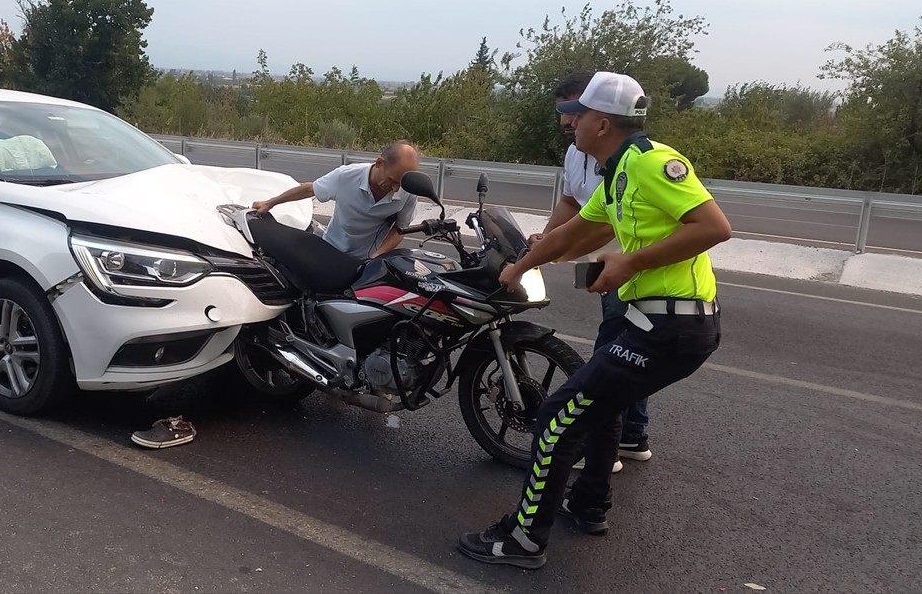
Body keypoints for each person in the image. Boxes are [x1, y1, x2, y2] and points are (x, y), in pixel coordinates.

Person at [457, 71, 732, 570]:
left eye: (578, 115)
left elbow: (715, 226)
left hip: (671, 328)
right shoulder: (618, 172)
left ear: (602, 123)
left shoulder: (653, 164)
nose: (571, 122)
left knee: (556, 419)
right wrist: (522, 264)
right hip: (650, 323)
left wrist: (631, 262)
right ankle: (587, 506)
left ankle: (522, 541)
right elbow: (578, 232)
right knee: (598, 409)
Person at [536, 71, 653, 471]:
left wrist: (559, 247)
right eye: (562, 113)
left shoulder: (629, 159)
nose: (565, 122)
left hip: (629, 268)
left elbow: (604, 222)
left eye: (571, 111)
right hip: (600, 264)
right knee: (628, 350)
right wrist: (547, 238)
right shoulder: (576, 153)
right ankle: (632, 435)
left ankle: (601, 447)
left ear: (596, 113)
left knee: (613, 354)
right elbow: (572, 204)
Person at [252, 140, 421, 260]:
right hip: (332, 250)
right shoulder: (346, 176)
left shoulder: (408, 190)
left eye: (401, 183)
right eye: (392, 180)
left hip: (369, 259)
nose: (395, 188)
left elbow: (400, 229)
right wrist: (271, 203)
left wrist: (376, 257)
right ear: (379, 163)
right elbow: (310, 189)